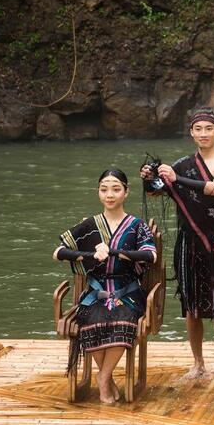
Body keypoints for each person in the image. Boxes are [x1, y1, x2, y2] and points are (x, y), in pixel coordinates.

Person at [140, 107, 214, 378]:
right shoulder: (182, 163)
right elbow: (158, 191)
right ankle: (197, 363)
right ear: (191, 132)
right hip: (189, 241)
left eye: (208, 128)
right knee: (191, 305)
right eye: (198, 129)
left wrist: (175, 178)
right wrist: (150, 178)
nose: (203, 134)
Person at [53, 168, 157, 404]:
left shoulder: (137, 225)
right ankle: (107, 380)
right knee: (92, 319)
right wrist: (88, 255)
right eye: (104, 189)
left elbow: (150, 255)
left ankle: (103, 377)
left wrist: (116, 252)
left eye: (116, 189)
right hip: (95, 292)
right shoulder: (89, 225)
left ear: (126, 192)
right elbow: (58, 252)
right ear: (98, 193)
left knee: (122, 318)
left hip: (127, 291)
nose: (110, 194)